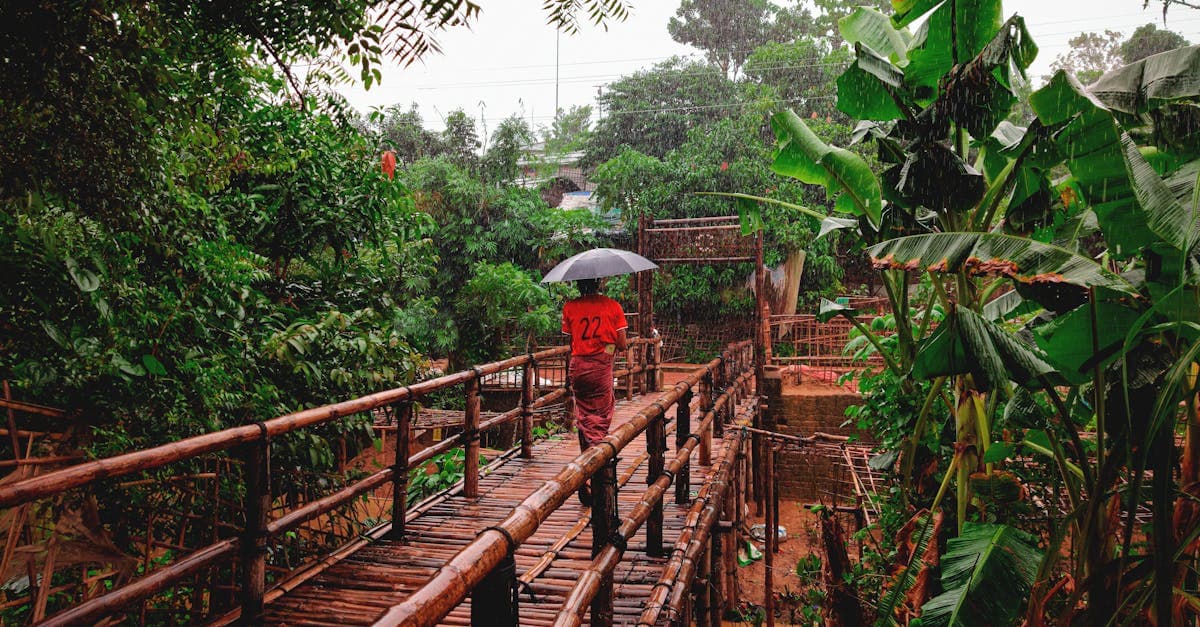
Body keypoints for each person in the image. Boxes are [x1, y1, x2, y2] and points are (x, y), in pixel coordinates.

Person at [561, 277, 628, 505]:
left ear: (579, 285)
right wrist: (606, 350)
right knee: (599, 419)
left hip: (578, 367)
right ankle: (595, 476)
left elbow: (573, 342)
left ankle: (586, 467)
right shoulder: (613, 306)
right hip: (600, 368)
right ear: (599, 283)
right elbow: (621, 344)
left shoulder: (570, 307)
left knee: (584, 416)